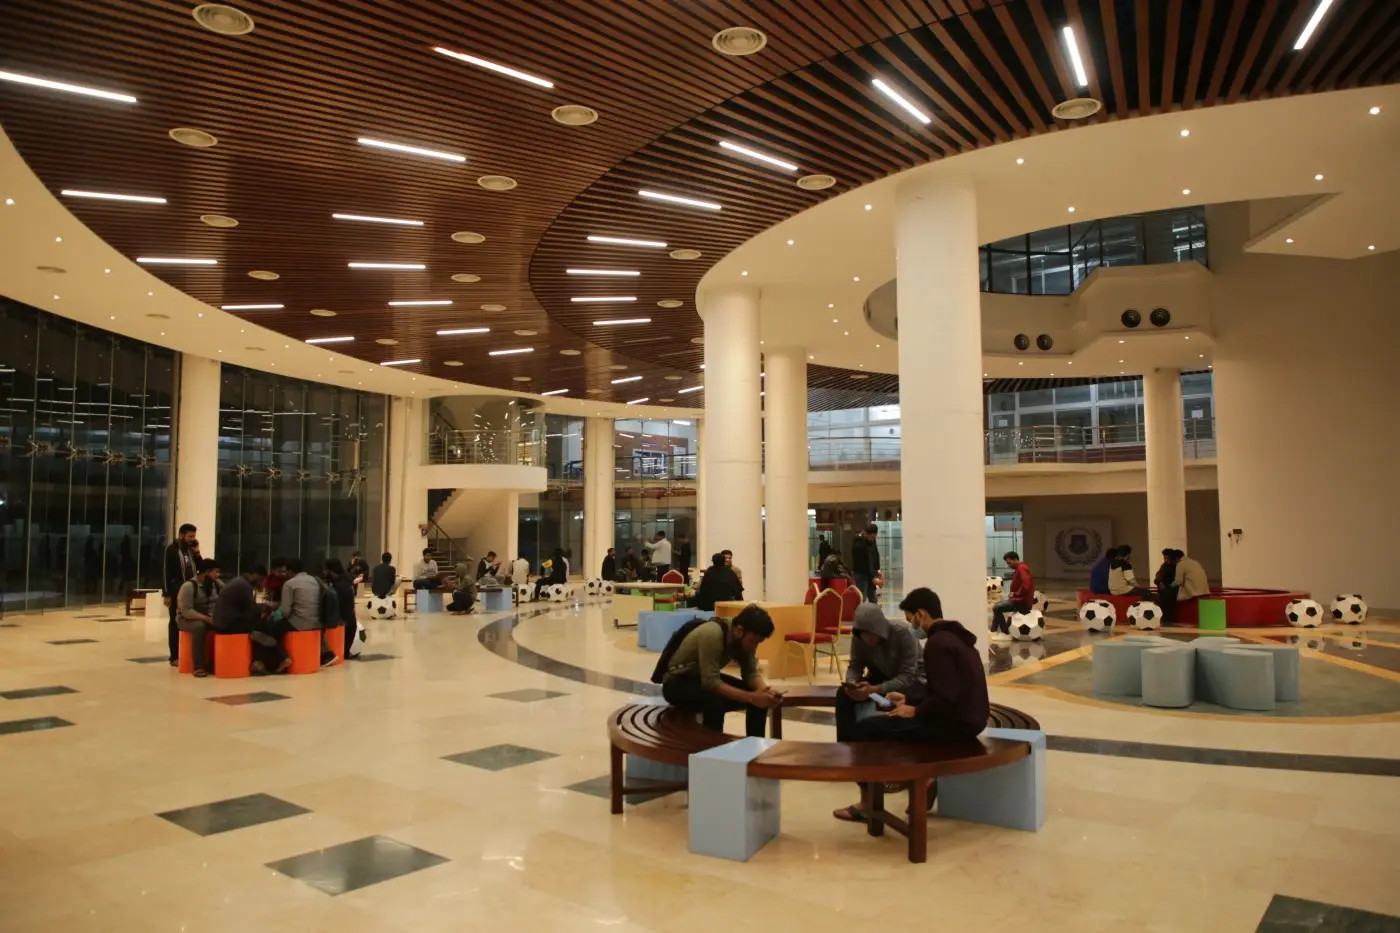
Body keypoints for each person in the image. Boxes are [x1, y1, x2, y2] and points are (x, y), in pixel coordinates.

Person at [834, 587, 988, 823]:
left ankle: (872, 801)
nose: (911, 624)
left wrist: (915, 710)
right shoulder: (955, 637)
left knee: (867, 729)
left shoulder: (937, 644)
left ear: (921, 614)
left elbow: (944, 696)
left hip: (954, 724)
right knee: (875, 717)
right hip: (969, 717)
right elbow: (945, 691)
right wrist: (910, 701)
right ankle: (918, 779)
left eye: (910, 618)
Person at [660, 604, 780, 737]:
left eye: (758, 642)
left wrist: (765, 691)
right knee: (715, 703)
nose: (754, 646)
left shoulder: (744, 637)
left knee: (759, 699)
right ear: (739, 631)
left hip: (700, 678)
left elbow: (750, 672)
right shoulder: (712, 634)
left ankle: (755, 743)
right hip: (676, 684)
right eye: (753, 641)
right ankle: (712, 746)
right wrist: (752, 698)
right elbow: (711, 683)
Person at [212, 563, 290, 675]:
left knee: (265, 629)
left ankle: (264, 661)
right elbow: (256, 607)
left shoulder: (243, 582)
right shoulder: (244, 585)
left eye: (284, 571)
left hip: (231, 619)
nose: (282, 574)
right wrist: (272, 606)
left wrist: (264, 603)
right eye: (279, 571)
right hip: (229, 623)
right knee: (268, 628)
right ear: (256, 575)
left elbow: (259, 606)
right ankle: (276, 659)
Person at [271, 558, 336, 667]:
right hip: (318, 622)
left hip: (299, 624)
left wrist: (274, 615)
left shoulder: (289, 584)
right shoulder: (315, 580)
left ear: (290, 571)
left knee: (271, 629)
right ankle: (326, 655)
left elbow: (285, 611)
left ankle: (282, 658)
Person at [176, 557, 223, 677]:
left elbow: (227, 593)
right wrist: (206, 619)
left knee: (225, 625)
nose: (218, 575)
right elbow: (186, 611)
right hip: (187, 619)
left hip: (209, 617)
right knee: (199, 627)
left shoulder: (216, 584)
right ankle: (198, 666)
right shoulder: (189, 586)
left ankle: (215, 661)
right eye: (216, 572)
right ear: (206, 572)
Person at [162, 522, 200, 665]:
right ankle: (174, 656)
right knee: (174, 622)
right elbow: (166, 572)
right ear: (181, 535)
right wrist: (166, 593)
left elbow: (201, 567)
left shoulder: (191, 550)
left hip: (191, 591)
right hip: (176, 591)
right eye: (190, 536)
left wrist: (197, 552)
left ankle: (189, 654)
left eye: (194, 536)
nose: (192, 539)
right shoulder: (172, 550)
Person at [991, 551, 1034, 641]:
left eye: (1009, 563)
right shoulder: (1020, 568)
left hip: (1022, 602)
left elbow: (1027, 586)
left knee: (997, 608)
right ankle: (993, 630)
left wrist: (1015, 594)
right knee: (997, 606)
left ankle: (1005, 633)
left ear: (1015, 559)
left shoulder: (1022, 568)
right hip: (1019, 599)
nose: (1008, 565)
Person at [324, 558, 359, 657]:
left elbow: (341, 607)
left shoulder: (340, 585)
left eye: (325, 569)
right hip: (349, 621)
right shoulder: (345, 580)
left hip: (344, 625)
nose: (324, 572)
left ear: (331, 570)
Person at [1167, 549, 1210, 623]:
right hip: (1204, 590)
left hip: (1193, 591)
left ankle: (1171, 618)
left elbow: (1178, 581)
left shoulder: (1180, 564)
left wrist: (1169, 586)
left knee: (1170, 595)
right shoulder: (1194, 562)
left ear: (1176, 559)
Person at [851, 523, 881, 603]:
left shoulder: (871, 541)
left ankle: (874, 611)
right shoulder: (858, 543)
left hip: (870, 573)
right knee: (861, 598)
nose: (873, 539)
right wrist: (872, 577)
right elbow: (864, 563)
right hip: (861, 574)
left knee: (873, 599)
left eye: (874, 537)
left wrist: (877, 571)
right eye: (872, 537)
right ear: (866, 533)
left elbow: (875, 555)